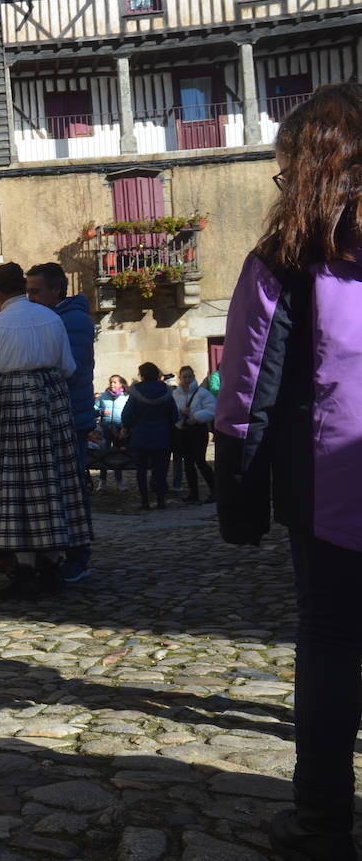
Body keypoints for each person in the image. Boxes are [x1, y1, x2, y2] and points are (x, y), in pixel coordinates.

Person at [214, 83, 362, 861]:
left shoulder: (286, 260)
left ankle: (321, 824)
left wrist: (237, 499)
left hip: (334, 487)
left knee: (333, 643)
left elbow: (247, 390)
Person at [0, 262, 90, 599]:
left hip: (12, 408)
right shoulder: (52, 319)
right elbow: (68, 366)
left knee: (15, 489)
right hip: (53, 406)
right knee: (52, 484)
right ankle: (52, 564)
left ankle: (23, 570)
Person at [26, 262, 97, 583]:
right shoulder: (55, 318)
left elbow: (71, 367)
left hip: (71, 417)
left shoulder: (73, 321)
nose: (30, 298)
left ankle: (78, 556)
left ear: (56, 290)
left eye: (36, 291)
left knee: (74, 488)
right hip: (57, 415)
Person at [120, 362, 178, 510]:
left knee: (141, 470)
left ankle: (145, 501)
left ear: (142, 375)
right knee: (161, 470)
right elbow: (174, 415)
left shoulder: (136, 392)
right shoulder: (166, 391)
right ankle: (160, 500)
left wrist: (128, 427)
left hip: (141, 436)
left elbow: (127, 415)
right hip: (162, 436)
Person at [171, 366, 217, 503]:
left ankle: (215, 490)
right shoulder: (176, 394)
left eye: (189, 376)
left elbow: (212, 409)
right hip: (184, 431)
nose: (187, 379)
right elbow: (172, 411)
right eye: (184, 377)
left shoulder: (202, 393)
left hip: (198, 430)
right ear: (180, 378)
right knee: (188, 464)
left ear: (193, 377)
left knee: (201, 461)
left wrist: (196, 417)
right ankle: (193, 493)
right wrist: (180, 412)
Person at [95, 375, 130, 492]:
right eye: (111, 382)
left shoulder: (126, 397)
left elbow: (129, 413)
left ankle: (120, 482)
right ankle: (102, 481)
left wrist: (124, 429)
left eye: (115, 382)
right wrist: (101, 411)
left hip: (119, 431)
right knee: (103, 455)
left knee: (118, 456)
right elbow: (94, 409)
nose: (112, 384)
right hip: (105, 430)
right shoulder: (103, 396)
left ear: (121, 384)